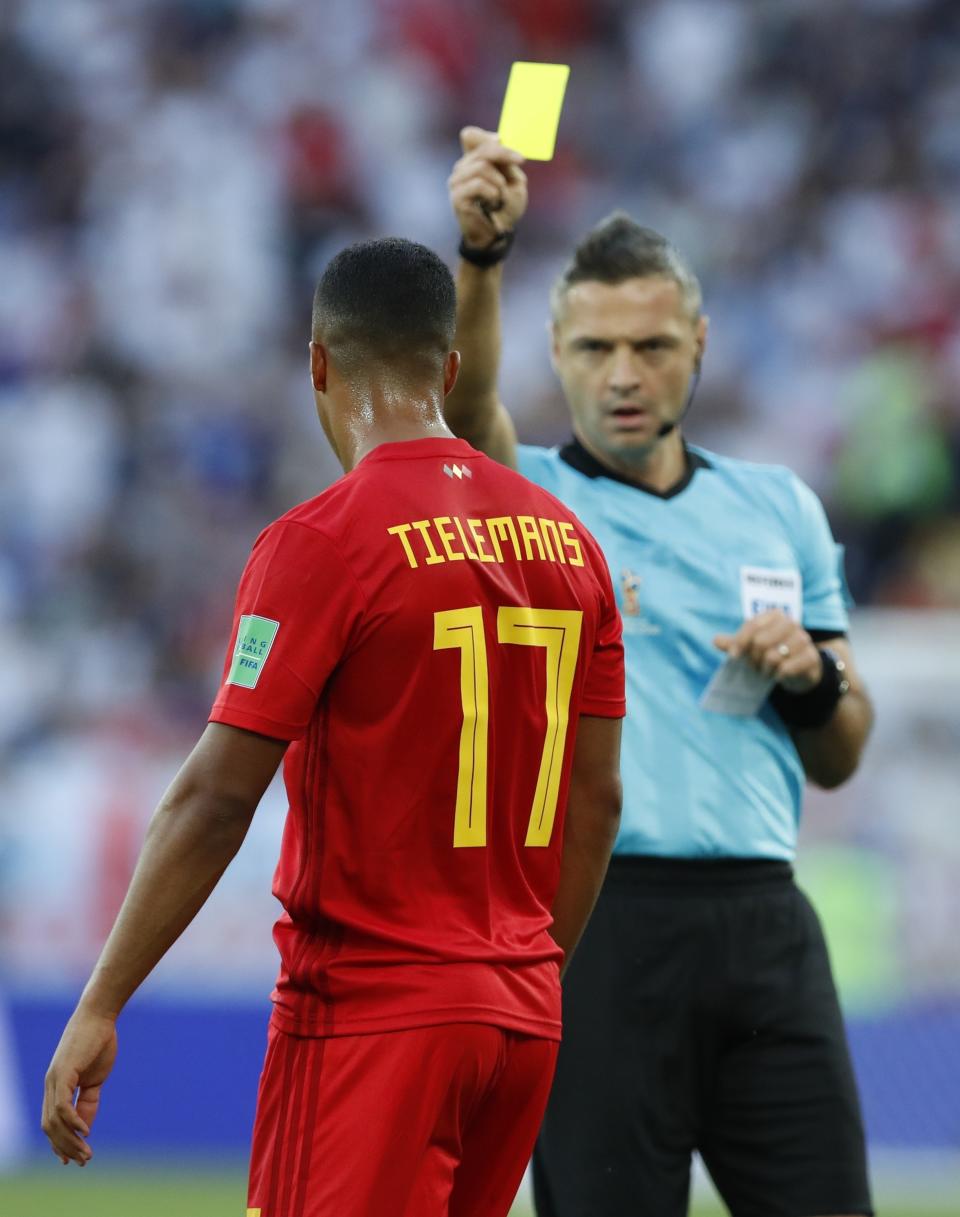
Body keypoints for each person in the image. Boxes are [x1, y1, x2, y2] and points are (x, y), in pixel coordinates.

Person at [42, 237, 626, 1217]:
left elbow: (217, 794)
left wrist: (101, 1000)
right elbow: (598, 797)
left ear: (318, 362)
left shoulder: (321, 541)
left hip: (374, 1011)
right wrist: (519, 973)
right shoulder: (569, 543)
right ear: (447, 368)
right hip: (522, 1017)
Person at [446, 128, 876, 1217]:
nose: (624, 375)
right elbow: (459, 415)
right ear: (555, 352)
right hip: (598, 925)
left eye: (650, 345)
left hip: (766, 918)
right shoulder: (528, 498)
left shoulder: (779, 505)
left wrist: (811, 679)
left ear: (700, 342)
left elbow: (841, 753)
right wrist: (481, 261)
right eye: (594, 349)